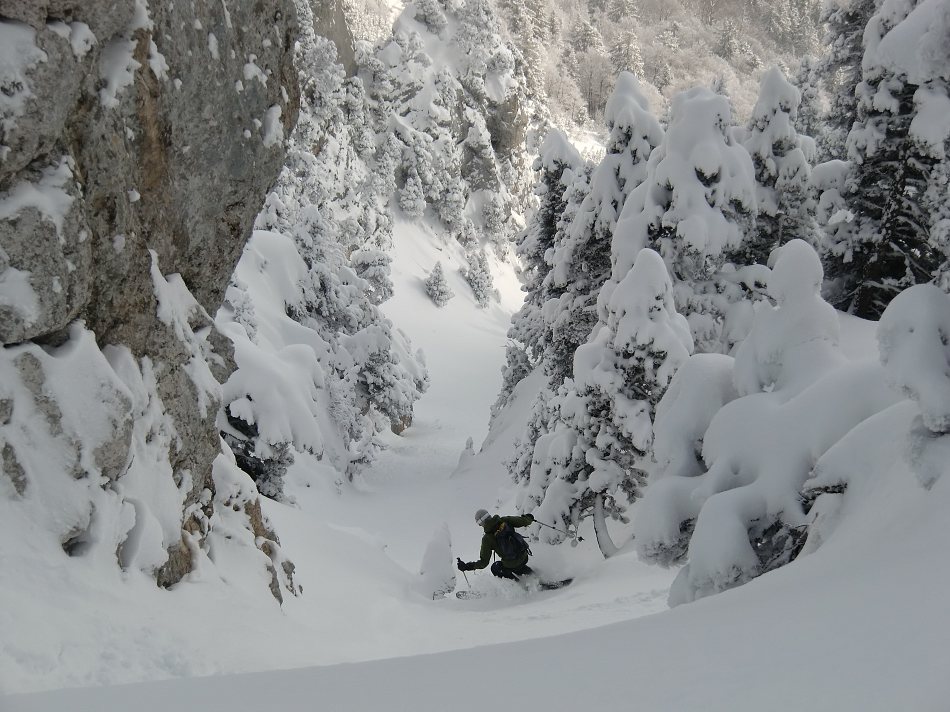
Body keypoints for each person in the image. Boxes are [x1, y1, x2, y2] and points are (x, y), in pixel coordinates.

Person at [457, 508, 535, 580]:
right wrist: (529, 518)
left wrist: (467, 566)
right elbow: (524, 521)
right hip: (524, 556)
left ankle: (518, 585)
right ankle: (535, 577)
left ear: (481, 523)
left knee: (495, 567)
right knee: (518, 565)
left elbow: (484, 563)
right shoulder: (505, 520)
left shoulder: (487, 538)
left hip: (511, 564)